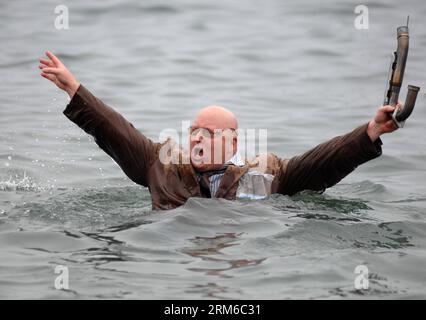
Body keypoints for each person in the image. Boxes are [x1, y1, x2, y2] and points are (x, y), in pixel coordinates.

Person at [39, 51, 400, 210]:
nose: (196, 137)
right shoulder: (160, 165)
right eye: (194, 130)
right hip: (174, 254)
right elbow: (115, 129)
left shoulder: (269, 175)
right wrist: (75, 89)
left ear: (232, 143)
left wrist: (370, 131)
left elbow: (323, 162)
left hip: (240, 252)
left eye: (208, 133)